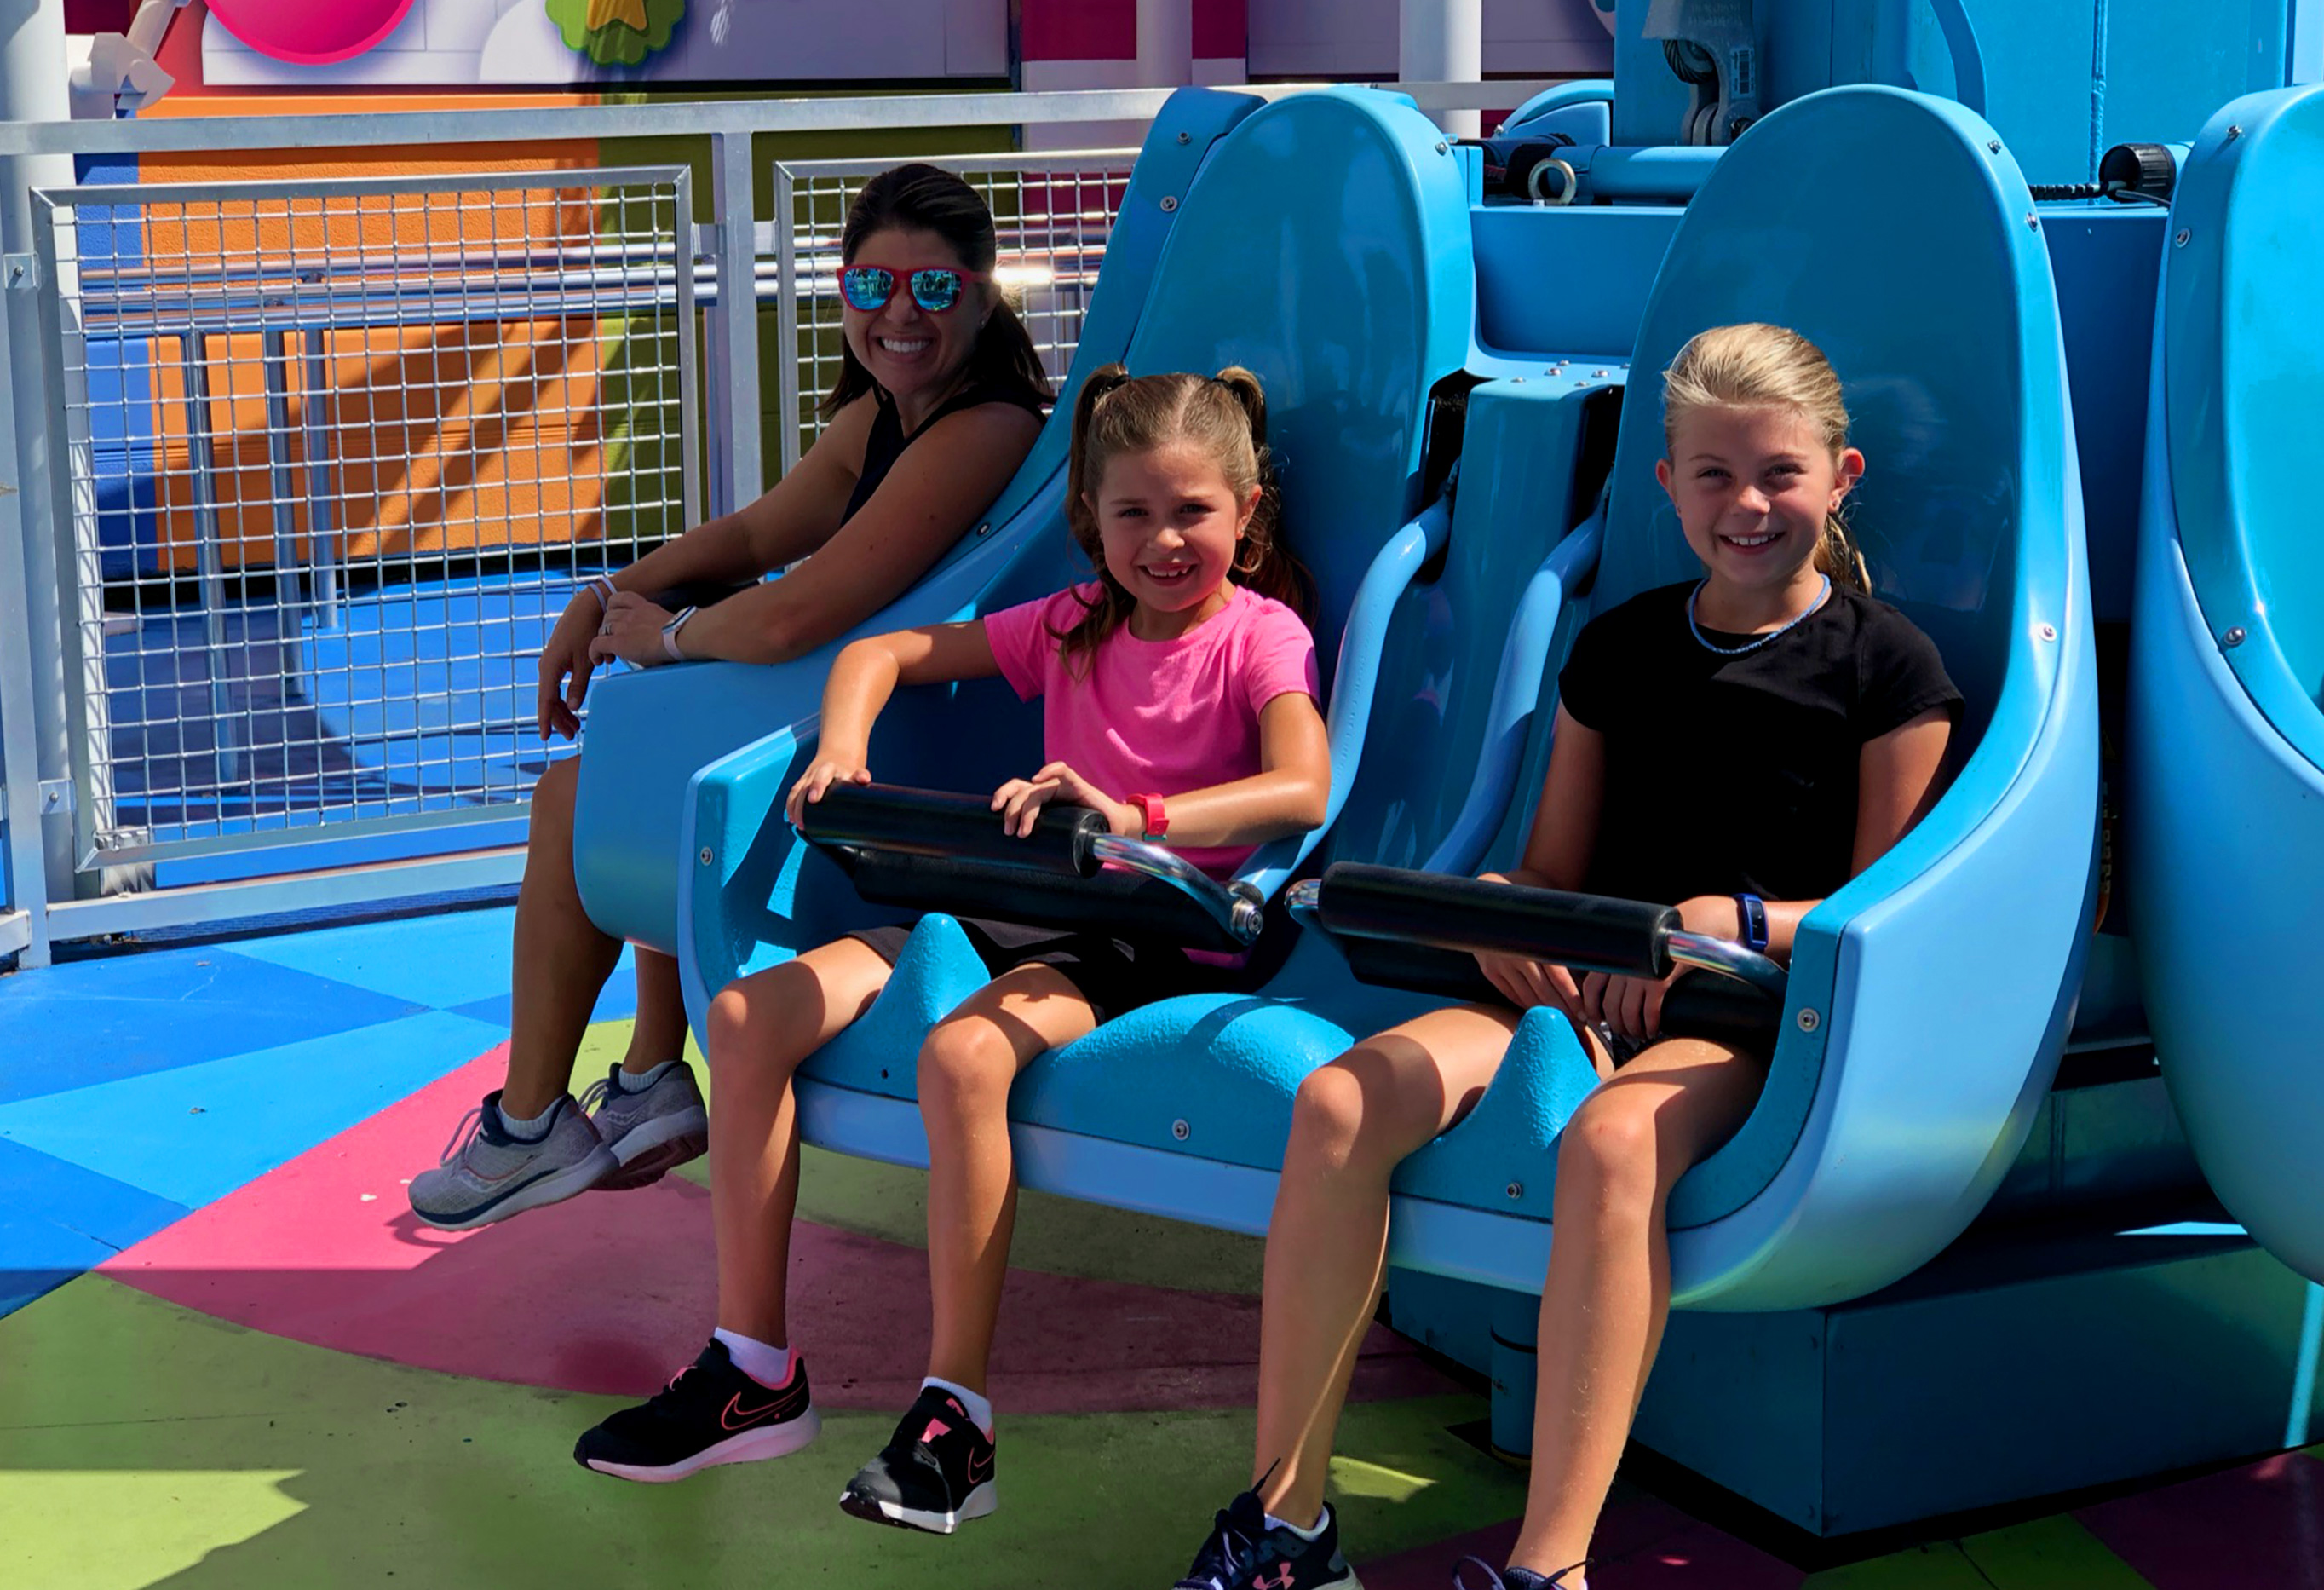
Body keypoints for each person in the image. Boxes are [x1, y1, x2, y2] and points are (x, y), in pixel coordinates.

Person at [1172, 324, 1964, 1590]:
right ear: (1666, 485)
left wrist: (1726, 922)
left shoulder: (1890, 667)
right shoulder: (1622, 648)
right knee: (1340, 1100)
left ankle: (1552, 1569)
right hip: (1585, 988)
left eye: (1779, 474)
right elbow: (1549, 870)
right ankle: (1289, 1525)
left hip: (1746, 1016)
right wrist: (1505, 917)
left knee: (1612, 1141)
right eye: (1713, 475)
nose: (1747, 505)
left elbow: (1885, 912)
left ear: (1840, 476)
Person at [569, 365, 1335, 1536]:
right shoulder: (1076, 622)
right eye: (1133, 513)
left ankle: (955, 1419)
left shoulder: (1259, 636)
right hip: (1018, 897)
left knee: (964, 1056)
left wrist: (1135, 816)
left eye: (1193, 511)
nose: (1163, 540)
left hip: (1149, 928)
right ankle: (753, 1370)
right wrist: (842, 749)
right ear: (1091, 518)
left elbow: (1303, 785)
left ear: (1247, 510)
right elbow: (880, 656)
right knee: (746, 1018)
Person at [408, 164, 1051, 1230]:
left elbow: (797, 616)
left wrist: (663, 637)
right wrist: (608, 594)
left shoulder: (986, 428)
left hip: (921, 758)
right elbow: (755, 537)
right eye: (873, 286)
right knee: (645, 751)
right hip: (867, 716)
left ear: (982, 300)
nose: (900, 314)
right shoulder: (883, 416)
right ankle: (649, 1072)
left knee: (586, 793)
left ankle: (531, 1125)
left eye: (934, 289)